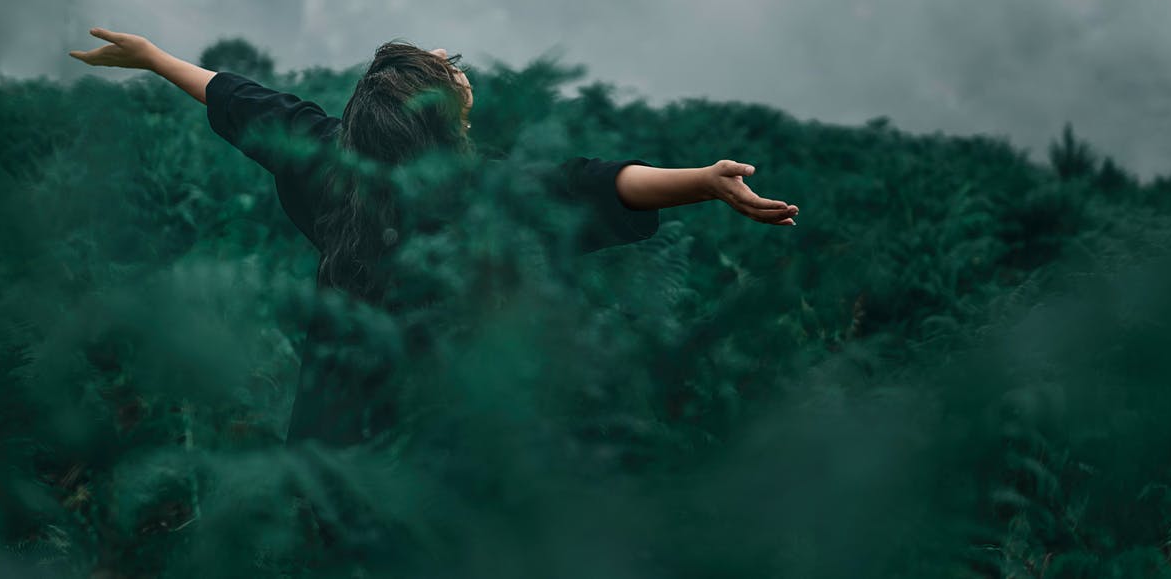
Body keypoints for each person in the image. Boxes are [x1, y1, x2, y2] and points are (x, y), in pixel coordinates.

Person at [69, 27, 800, 448]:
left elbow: (236, 99)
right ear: (441, 113)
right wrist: (702, 181)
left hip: (329, 432)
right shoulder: (475, 190)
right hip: (440, 441)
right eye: (451, 70)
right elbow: (591, 182)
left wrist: (153, 57)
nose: (460, 69)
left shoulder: (327, 154)